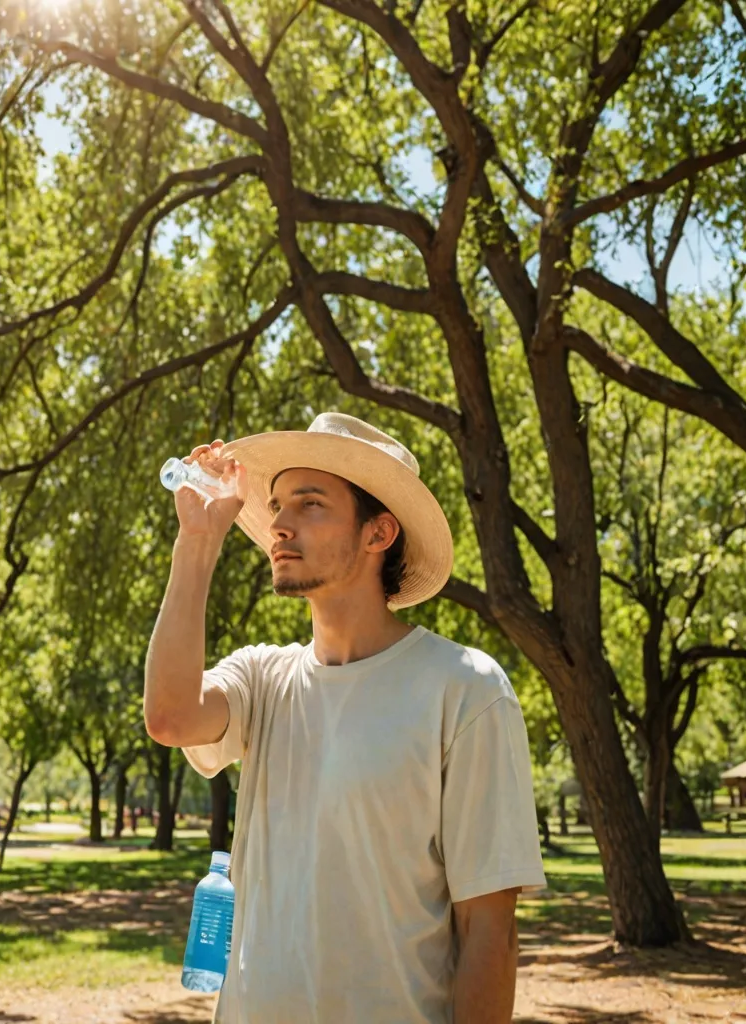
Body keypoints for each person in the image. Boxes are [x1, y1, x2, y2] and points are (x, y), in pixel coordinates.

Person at [145, 412, 546, 1024]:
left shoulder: (466, 690)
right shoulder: (263, 679)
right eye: (276, 505)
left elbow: (490, 931)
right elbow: (170, 717)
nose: (278, 523)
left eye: (310, 505)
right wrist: (197, 543)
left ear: (377, 532)